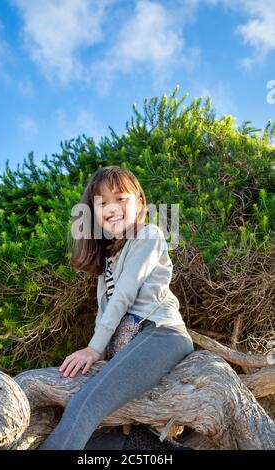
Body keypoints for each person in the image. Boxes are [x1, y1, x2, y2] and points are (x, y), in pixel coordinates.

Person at [39, 165, 194, 450]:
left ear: (140, 203)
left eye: (121, 198)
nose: (111, 207)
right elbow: (105, 308)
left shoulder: (149, 235)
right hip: (133, 341)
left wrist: (93, 348)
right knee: (102, 428)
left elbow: (124, 294)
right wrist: (101, 353)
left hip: (161, 335)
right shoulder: (109, 258)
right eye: (101, 202)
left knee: (85, 403)